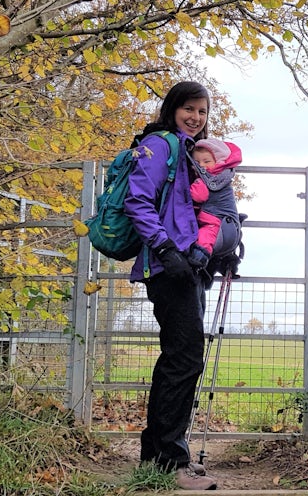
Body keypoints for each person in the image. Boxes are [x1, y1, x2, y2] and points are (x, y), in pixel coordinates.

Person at [123, 81, 220, 491]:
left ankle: (159, 456)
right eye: (188, 108)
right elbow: (137, 200)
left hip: (186, 267)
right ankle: (169, 463)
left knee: (179, 359)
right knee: (184, 360)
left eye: (201, 111)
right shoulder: (160, 144)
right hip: (167, 267)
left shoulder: (184, 150)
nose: (195, 117)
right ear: (172, 108)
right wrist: (166, 250)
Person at [187, 138, 243, 269]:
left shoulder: (209, 179)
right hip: (225, 221)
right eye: (197, 162)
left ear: (217, 161)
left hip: (215, 221)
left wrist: (189, 187)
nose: (202, 165)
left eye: (206, 161)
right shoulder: (224, 176)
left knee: (206, 237)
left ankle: (198, 257)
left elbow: (198, 196)